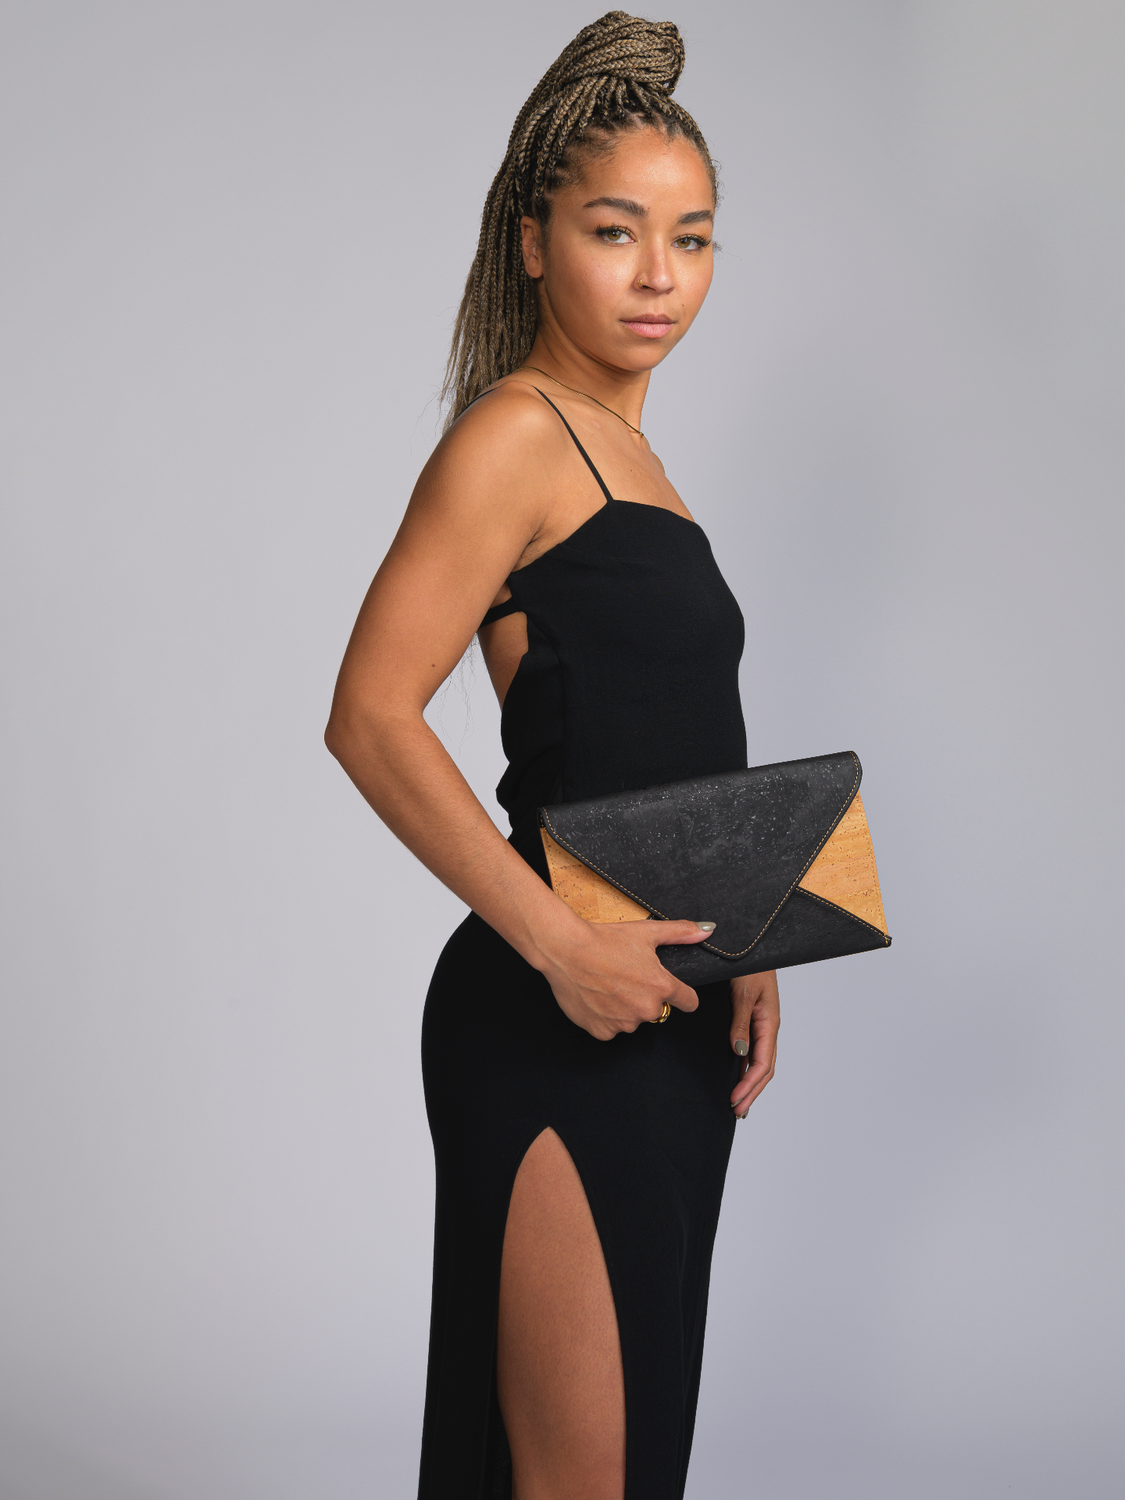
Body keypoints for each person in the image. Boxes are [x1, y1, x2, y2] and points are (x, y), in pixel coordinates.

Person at [325, 12, 780, 1499]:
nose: (660, 275)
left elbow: (645, 740)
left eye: (692, 239)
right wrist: (563, 948)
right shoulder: (518, 438)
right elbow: (370, 715)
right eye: (615, 231)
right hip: (551, 1013)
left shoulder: (634, 460)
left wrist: (752, 937)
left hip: (668, 1018)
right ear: (533, 244)